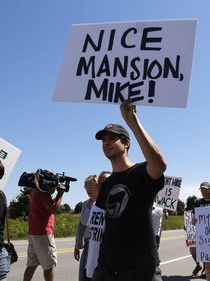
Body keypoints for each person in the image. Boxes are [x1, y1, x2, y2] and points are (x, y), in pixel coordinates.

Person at [92, 100, 167, 281]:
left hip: (139, 269)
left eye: (112, 138)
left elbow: (159, 164)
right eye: (104, 140)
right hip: (106, 267)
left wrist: (132, 122)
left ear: (126, 143)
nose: (106, 143)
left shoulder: (141, 172)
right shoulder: (108, 183)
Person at [23, 173, 66, 281]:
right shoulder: (43, 195)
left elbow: (50, 205)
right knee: (48, 266)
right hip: (43, 234)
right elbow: (53, 209)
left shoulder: (35, 191)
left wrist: (57, 195)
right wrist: (60, 194)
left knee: (32, 264)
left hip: (33, 233)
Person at [74, 175, 100, 281]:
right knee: (83, 277)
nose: (88, 190)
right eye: (86, 187)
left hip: (99, 246)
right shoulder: (85, 204)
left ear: (98, 187)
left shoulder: (102, 203)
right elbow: (81, 226)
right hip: (87, 245)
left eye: (91, 187)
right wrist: (77, 246)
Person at [85, 171, 111, 279]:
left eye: (105, 183)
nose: (100, 186)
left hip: (107, 266)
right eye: (99, 183)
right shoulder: (95, 206)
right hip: (92, 263)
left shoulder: (114, 207)